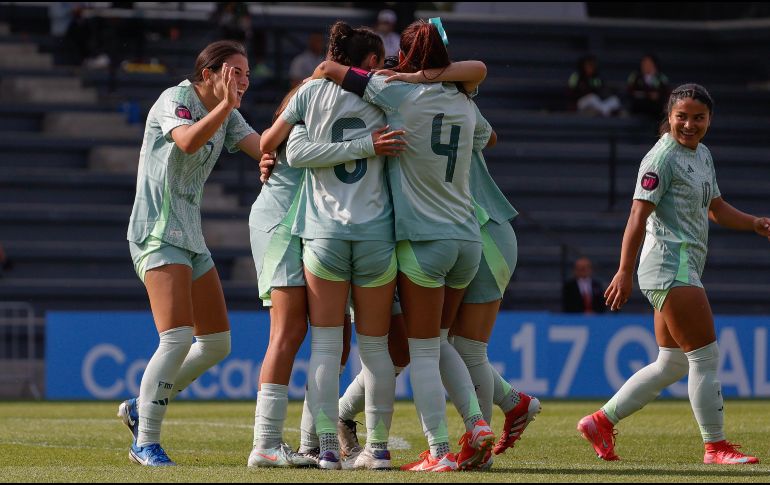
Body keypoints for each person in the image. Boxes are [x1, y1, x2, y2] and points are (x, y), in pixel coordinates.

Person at [312, 19, 495, 472]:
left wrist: (402, 78)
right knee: (441, 340)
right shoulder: (466, 103)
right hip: (467, 239)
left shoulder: (394, 90)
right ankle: (476, 421)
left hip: (423, 241)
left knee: (424, 351)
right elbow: (487, 127)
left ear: (407, 56)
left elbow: (331, 70)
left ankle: (438, 451)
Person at [579, 84, 768, 464]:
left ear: (709, 120)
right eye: (681, 116)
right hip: (669, 263)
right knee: (705, 357)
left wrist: (754, 223)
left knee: (673, 362)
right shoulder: (661, 156)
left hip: (681, 264)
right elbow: (637, 214)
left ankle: (601, 421)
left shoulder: (702, 155)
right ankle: (715, 446)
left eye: (698, 117)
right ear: (669, 117)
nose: (689, 124)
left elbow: (714, 207)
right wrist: (623, 270)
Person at [259, 22, 407, 470]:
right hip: (375, 235)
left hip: (323, 235)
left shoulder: (308, 93)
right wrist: (368, 144)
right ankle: (377, 450)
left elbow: (284, 149)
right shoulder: (385, 94)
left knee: (324, 347)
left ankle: (325, 449)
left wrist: (269, 157)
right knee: (375, 348)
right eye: (380, 63)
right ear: (367, 65)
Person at [117, 40, 261, 467]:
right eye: (236, 73)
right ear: (210, 73)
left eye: (248, 74)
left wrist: (304, 132)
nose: (244, 81)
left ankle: (141, 405)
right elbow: (187, 142)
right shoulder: (176, 99)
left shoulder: (228, 113)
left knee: (216, 344)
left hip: (190, 235)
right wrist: (226, 108)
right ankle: (145, 442)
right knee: (177, 337)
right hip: (157, 230)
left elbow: (265, 146)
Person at [627, 54, 670, 121]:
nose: (646, 66)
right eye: (644, 63)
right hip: (638, 106)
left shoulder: (660, 77)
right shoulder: (635, 77)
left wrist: (656, 95)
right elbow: (630, 90)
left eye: (649, 63)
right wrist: (647, 94)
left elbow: (665, 91)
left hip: (656, 108)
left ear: (654, 64)